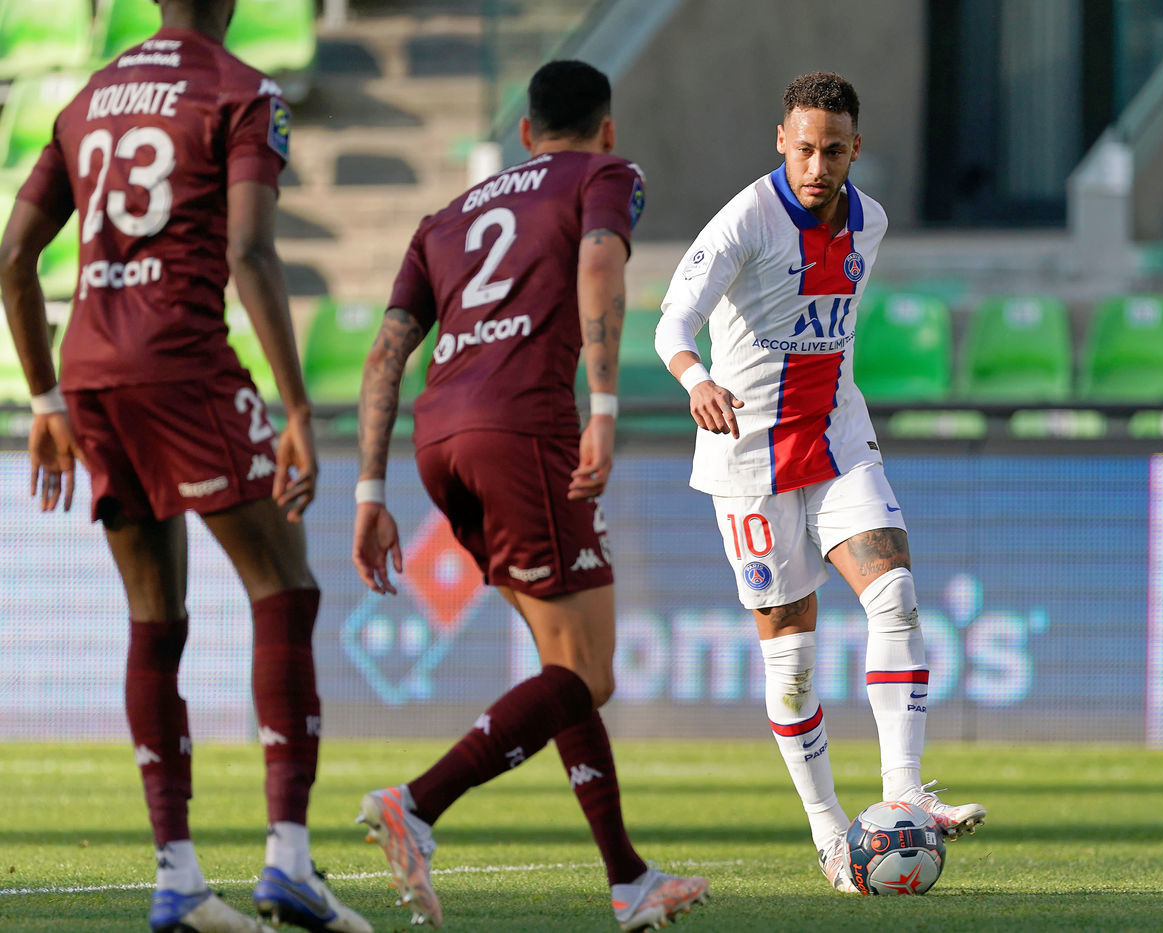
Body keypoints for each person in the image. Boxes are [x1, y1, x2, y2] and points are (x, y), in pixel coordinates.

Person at [0, 2, 370, 932]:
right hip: (183, 361)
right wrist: (295, 407)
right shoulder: (242, 92)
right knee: (284, 585)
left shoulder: (86, 97)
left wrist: (44, 400)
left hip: (91, 374)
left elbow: (12, 259)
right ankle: (288, 860)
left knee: (152, 614)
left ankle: (178, 875)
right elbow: (248, 250)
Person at [349, 59, 709, 931]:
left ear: (522, 132)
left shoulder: (445, 217)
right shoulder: (604, 174)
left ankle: (628, 879)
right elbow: (600, 261)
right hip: (522, 428)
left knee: (563, 664)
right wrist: (605, 409)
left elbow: (386, 353)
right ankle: (416, 804)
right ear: (606, 128)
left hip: (438, 442)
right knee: (588, 672)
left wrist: (369, 490)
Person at [652, 72, 988, 893]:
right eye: (804, 148)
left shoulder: (871, 221)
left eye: (833, 150)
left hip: (837, 438)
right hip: (748, 457)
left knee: (896, 593)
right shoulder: (745, 219)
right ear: (782, 141)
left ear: (855, 149)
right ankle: (831, 831)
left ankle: (905, 792)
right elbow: (672, 319)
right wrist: (697, 377)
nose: (817, 164)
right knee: (793, 660)